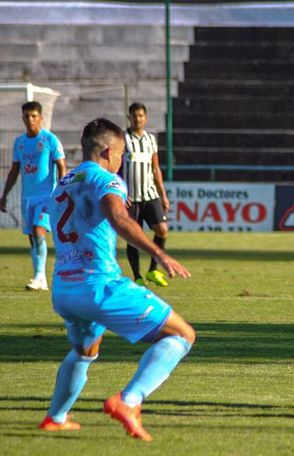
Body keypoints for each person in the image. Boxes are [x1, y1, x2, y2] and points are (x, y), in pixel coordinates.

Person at [37, 118, 195, 441]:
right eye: (121, 154)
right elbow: (118, 216)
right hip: (99, 285)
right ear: (109, 150)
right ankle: (129, 401)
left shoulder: (62, 185)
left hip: (65, 289)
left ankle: (56, 416)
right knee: (182, 334)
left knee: (85, 350)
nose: (121, 161)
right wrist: (159, 253)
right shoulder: (107, 180)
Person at [0, 101, 67, 290]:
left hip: (47, 197)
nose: (30, 119)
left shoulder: (50, 140)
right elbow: (14, 170)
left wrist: (61, 191)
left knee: (39, 231)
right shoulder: (20, 143)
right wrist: (4, 195)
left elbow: (61, 166)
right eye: (27, 116)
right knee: (32, 237)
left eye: (34, 116)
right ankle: (41, 278)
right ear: (22, 118)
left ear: (41, 118)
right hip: (26, 198)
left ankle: (38, 276)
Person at [120, 102, 171, 287]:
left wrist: (163, 194)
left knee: (162, 230)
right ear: (129, 118)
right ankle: (138, 276)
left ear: (146, 117)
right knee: (134, 238)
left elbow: (155, 168)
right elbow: (116, 167)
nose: (138, 119)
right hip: (130, 198)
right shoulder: (123, 139)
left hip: (150, 195)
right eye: (134, 116)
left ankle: (152, 271)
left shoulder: (151, 139)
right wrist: (120, 191)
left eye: (141, 115)